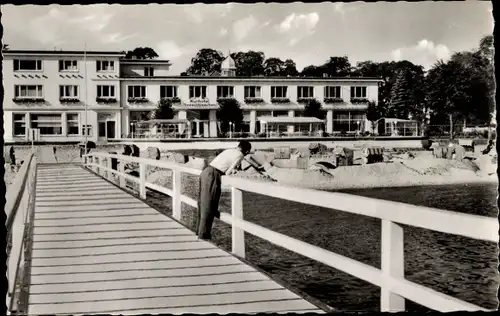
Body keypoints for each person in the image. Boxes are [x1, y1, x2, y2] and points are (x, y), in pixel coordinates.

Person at [196, 140, 261, 240]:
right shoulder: (240, 155)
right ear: (247, 151)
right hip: (213, 175)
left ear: (238, 146)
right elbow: (228, 172)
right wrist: (235, 171)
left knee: (202, 203)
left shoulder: (229, 150)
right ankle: (203, 235)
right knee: (209, 204)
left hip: (206, 171)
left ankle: (199, 232)